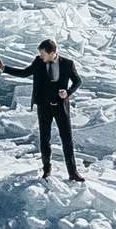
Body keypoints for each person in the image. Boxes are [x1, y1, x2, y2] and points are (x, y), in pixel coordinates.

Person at [14, 38, 83, 182]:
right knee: (45, 139)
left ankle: (72, 172)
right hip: (44, 107)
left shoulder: (67, 64)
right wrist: (3, 68)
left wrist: (68, 93)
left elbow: (77, 81)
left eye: (43, 54)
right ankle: (46, 169)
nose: (41, 57)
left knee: (67, 140)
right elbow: (24, 73)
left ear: (52, 53)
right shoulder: (38, 62)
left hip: (60, 108)